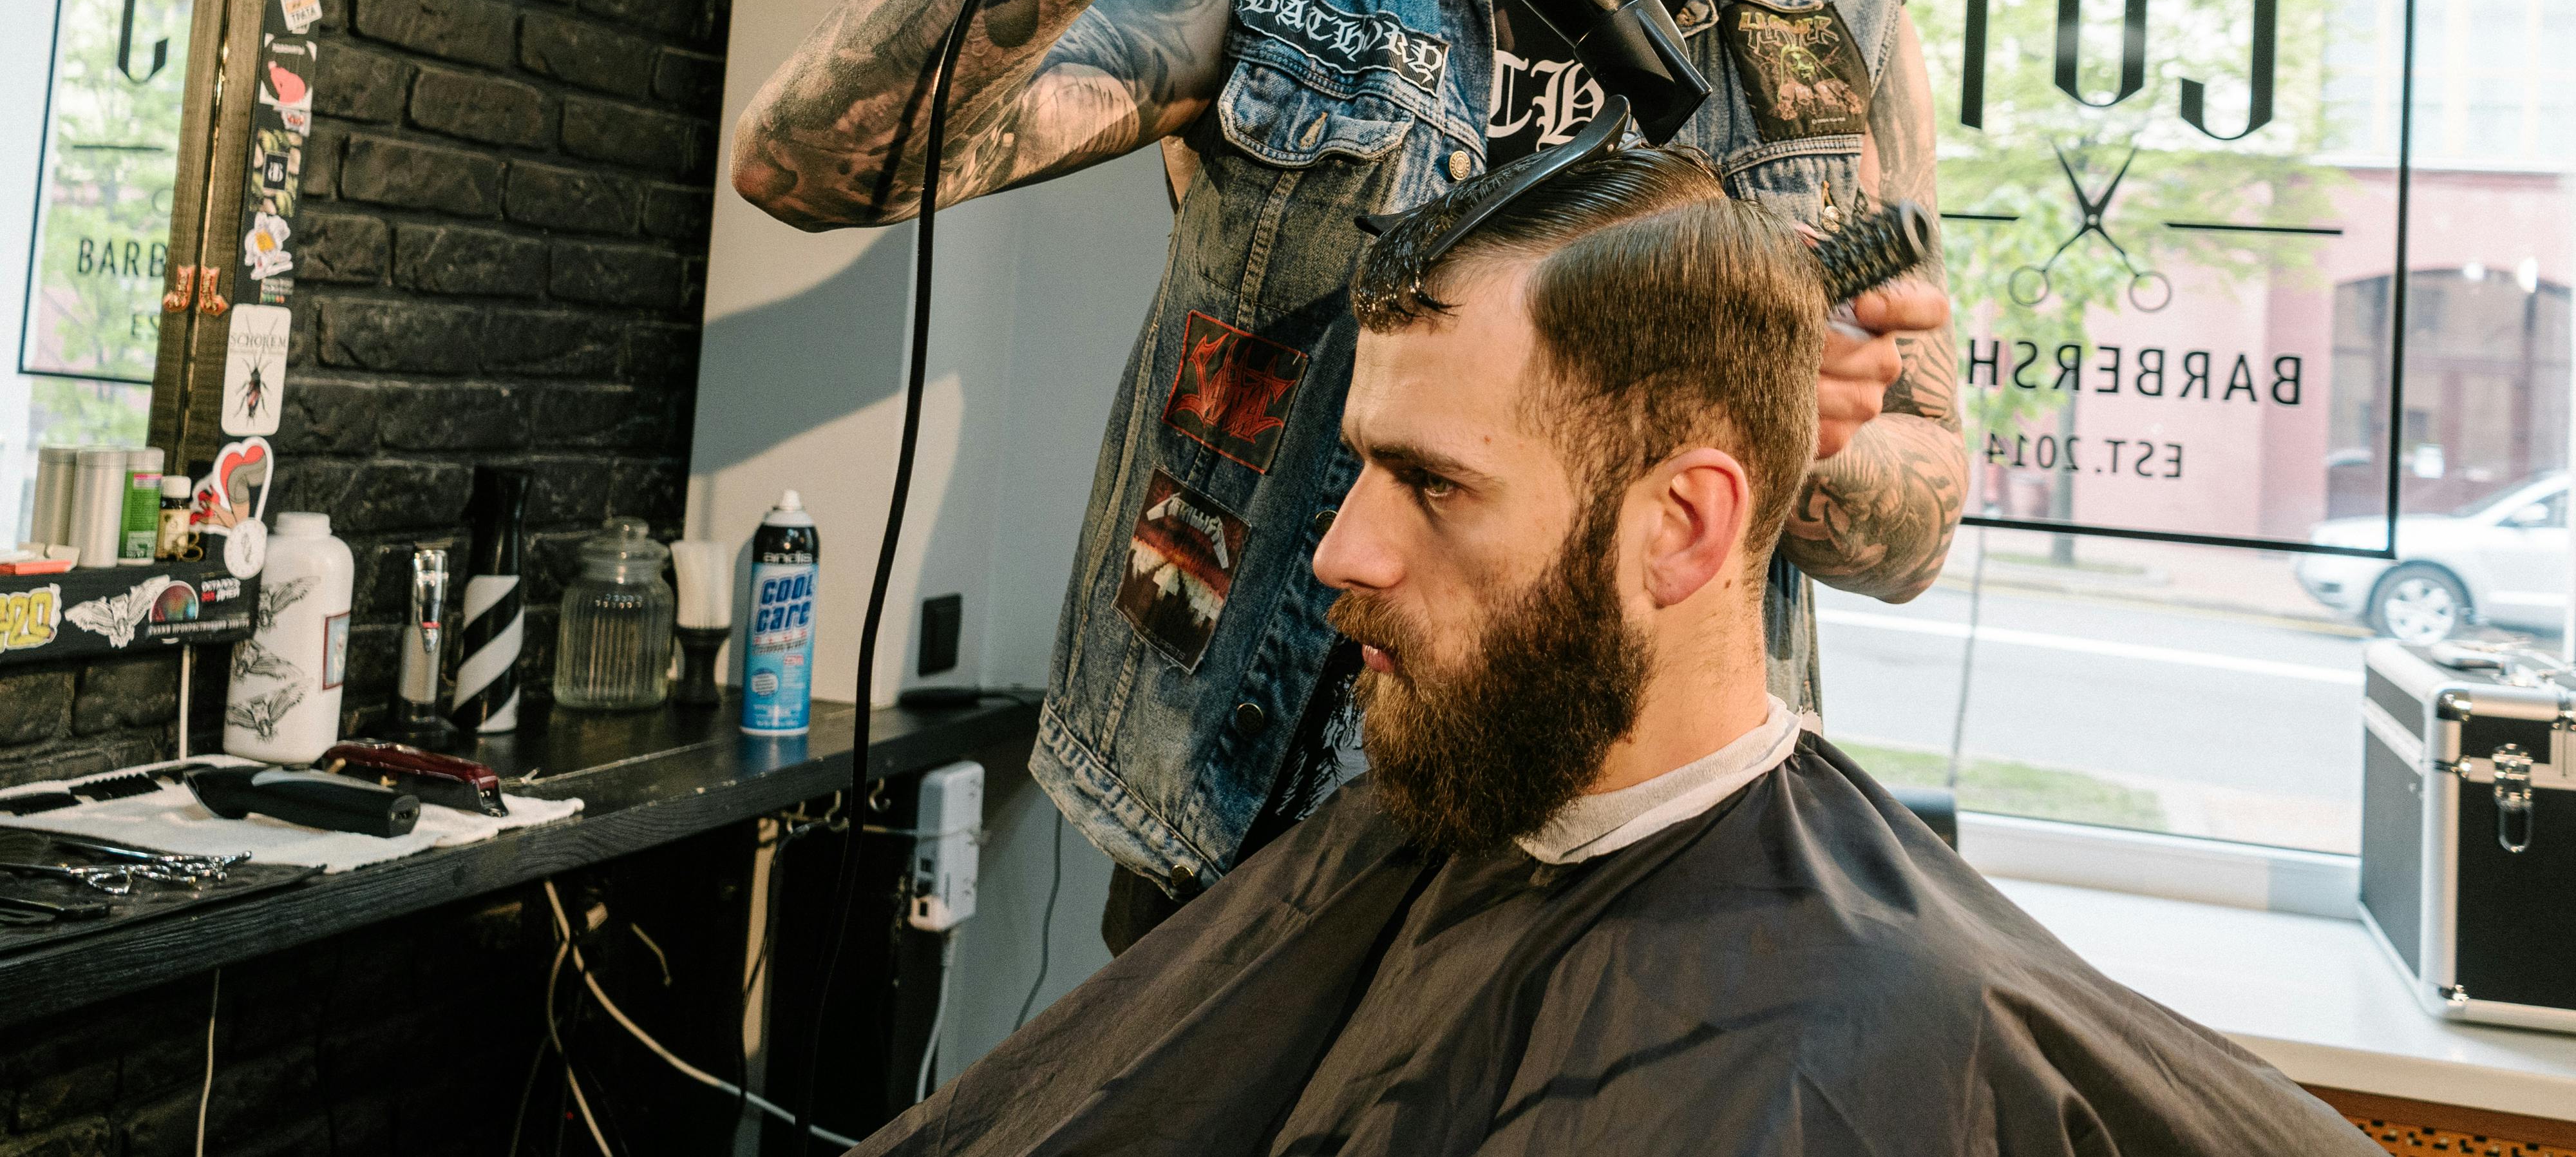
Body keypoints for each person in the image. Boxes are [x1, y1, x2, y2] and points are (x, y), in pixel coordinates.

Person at [733, 0, 1969, 949]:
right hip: (1244, 839)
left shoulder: (1840, 41)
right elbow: (807, 162)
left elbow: (1914, 522)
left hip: (1628, 893)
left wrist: (1795, 426)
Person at [850, 148, 2369, 1157]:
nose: (1338, 549)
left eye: (1434, 481)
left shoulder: (1857, 1039)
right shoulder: (1421, 833)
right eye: (1363, 467)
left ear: (1682, 528)